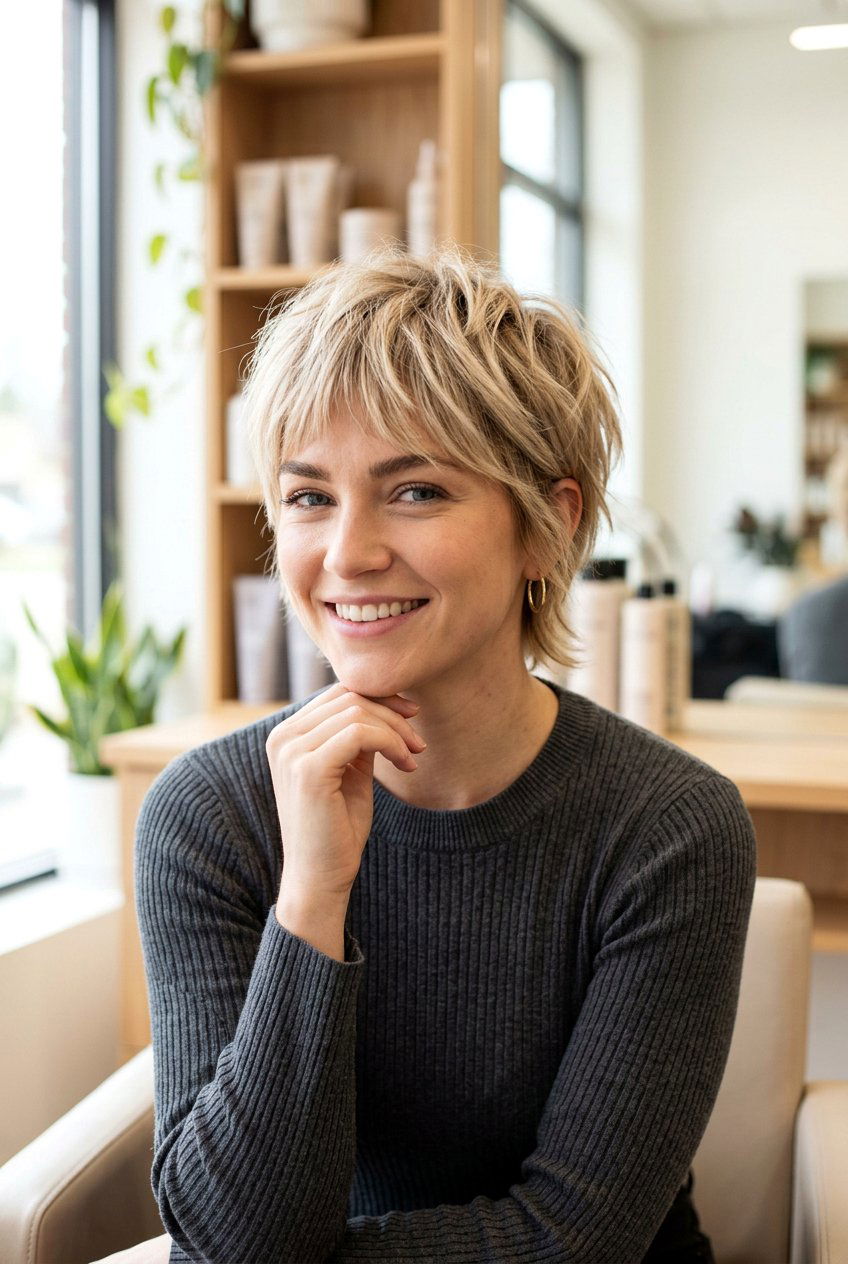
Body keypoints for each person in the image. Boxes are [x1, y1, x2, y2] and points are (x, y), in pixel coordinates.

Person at [135, 244, 757, 1263]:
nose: (348, 554)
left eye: (415, 490)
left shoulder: (667, 827)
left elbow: (573, 1241)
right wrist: (312, 896)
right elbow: (236, 1235)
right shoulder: (209, 815)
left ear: (548, 525)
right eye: (308, 497)